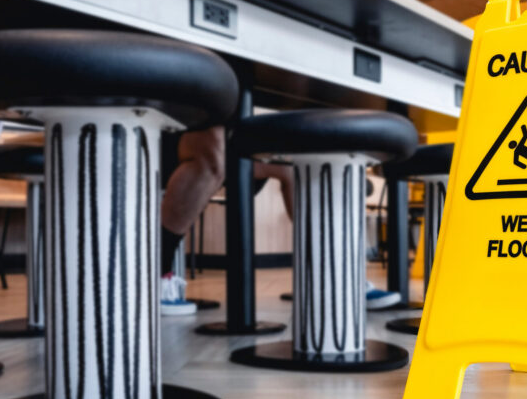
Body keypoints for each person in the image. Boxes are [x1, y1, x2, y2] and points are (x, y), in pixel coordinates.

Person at [160, 127, 401, 314]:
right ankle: (156, 271)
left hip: (225, 129)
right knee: (214, 145)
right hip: (169, 125)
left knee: (289, 166)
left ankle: (337, 275)